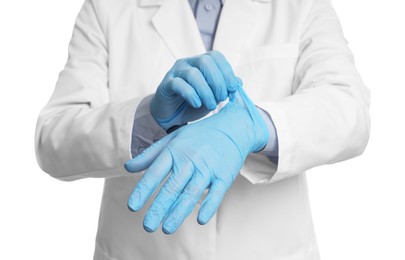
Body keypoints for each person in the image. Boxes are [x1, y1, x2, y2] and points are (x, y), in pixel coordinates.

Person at [35, 0, 370, 259]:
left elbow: (348, 105)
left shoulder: (300, 5)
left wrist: (255, 126)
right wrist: (147, 119)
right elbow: (53, 136)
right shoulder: (108, 8)